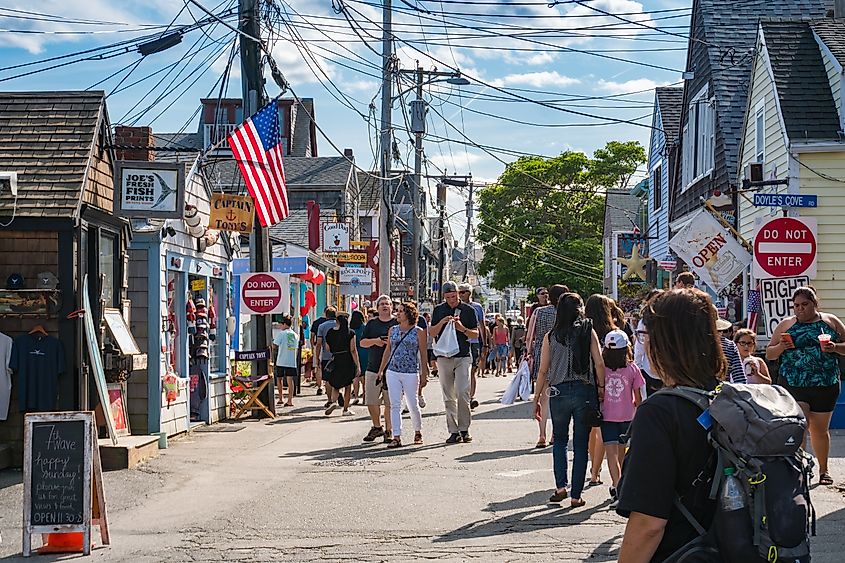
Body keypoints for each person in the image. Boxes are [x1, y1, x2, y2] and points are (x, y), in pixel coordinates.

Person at [617, 288, 724, 562]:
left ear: (663, 342)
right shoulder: (729, 398)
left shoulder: (659, 413)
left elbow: (648, 525)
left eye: (644, 335)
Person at [767, 286, 845, 486]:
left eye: (804, 304)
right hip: (794, 383)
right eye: (796, 306)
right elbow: (769, 354)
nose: (800, 309)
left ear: (814, 304)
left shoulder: (830, 322)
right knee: (800, 426)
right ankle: (799, 470)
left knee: (819, 430)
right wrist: (781, 347)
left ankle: (823, 470)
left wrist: (835, 347)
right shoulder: (786, 325)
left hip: (824, 383)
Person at [533, 293, 605, 507]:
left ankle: (560, 487)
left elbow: (543, 370)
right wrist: (601, 388)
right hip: (584, 391)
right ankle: (576, 496)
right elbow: (599, 363)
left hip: (558, 391)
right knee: (581, 443)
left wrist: (536, 397)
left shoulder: (550, 336)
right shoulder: (587, 331)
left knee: (560, 440)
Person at [430, 281, 479, 444]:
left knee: (462, 391)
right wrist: (442, 322)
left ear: (459, 294)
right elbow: (431, 333)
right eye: (448, 297)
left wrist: (462, 328)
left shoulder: (468, 310)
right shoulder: (438, 310)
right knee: (448, 394)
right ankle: (453, 430)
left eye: (454, 296)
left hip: (463, 355)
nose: (452, 299)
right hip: (444, 357)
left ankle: (464, 428)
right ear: (444, 296)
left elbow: (475, 334)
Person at [600, 329, 644, 509]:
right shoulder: (632, 368)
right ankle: (621, 487)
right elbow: (638, 396)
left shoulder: (601, 368)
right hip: (627, 416)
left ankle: (617, 486)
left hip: (607, 416)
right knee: (622, 452)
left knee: (611, 453)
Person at [377, 302, 429, 448]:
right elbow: (388, 350)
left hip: (411, 371)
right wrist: (381, 370)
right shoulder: (392, 330)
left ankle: (417, 431)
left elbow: (423, 353)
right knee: (395, 404)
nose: (398, 313)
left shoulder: (418, 331)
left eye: (401, 311)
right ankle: (397, 436)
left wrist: (424, 372)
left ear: (409, 314)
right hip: (393, 371)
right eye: (397, 311)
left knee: (412, 403)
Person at [526, 284, 568, 448]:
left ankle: (542, 434)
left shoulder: (539, 312)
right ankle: (554, 434)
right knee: (559, 396)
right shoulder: (568, 314)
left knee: (543, 396)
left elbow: (530, 336)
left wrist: (528, 353)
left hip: (541, 353)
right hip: (562, 355)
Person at [584, 294, 618, 487]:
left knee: (593, 429)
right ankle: (596, 471)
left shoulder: (585, 330)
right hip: (612, 385)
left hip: (589, 382)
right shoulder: (613, 333)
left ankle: (593, 469)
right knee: (603, 430)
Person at [359, 295, 397, 443]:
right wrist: (376, 341)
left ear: (391, 307)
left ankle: (389, 430)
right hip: (373, 367)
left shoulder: (396, 323)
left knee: (390, 402)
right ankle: (377, 426)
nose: (385, 306)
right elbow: (362, 343)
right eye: (382, 304)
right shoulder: (371, 324)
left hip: (393, 368)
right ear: (377, 307)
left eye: (387, 304)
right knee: (371, 400)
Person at [323, 312, 361, 417]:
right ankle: (345, 409)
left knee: (336, 384)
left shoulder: (330, 332)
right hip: (347, 359)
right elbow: (353, 349)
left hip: (336, 359)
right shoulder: (351, 333)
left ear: (337, 321)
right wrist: (357, 364)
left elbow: (327, 348)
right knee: (348, 385)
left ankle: (333, 401)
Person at [458, 283, 487, 410]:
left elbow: (482, 325)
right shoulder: (457, 307)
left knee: (473, 370)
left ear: (469, 293)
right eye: (459, 292)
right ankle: (461, 397)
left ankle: (471, 397)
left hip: (474, 342)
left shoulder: (477, 307)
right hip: (459, 342)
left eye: (463, 292)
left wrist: (485, 343)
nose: (460, 294)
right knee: (460, 371)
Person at [635, 290, 663, 396]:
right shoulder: (670, 320)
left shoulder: (644, 322)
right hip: (667, 369)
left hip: (650, 369)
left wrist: (637, 368)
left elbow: (640, 347)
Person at [272, 315, 299, 407]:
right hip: (291, 361)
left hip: (281, 360)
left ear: (284, 324)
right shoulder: (295, 335)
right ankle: (290, 400)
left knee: (279, 379)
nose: (280, 326)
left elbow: (274, 345)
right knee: (290, 380)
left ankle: (280, 398)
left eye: (280, 324)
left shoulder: (281, 334)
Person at [314, 307, 338, 405]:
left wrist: (317, 356)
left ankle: (329, 400)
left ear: (326, 315)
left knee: (327, 379)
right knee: (337, 377)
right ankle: (336, 397)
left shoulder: (322, 326)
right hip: (339, 355)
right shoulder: (339, 324)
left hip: (326, 356)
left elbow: (319, 343)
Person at [716, 317, 746, 384]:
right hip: (721, 389)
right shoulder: (730, 345)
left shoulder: (693, 344)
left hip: (694, 390)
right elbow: (739, 378)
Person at [350, 309, 368, 405]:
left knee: (356, 375)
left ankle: (356, 396)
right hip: (365, 352)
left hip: (354, 352)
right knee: (364, 376)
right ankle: (365, 396)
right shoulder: (365, 328)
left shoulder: (351, 329)